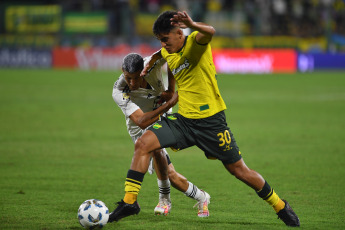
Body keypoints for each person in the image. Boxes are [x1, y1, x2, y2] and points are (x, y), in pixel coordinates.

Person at [108, 10, 300, 227]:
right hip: (185, 121)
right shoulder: (167, 51)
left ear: (180, 33)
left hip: (212, 122)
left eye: (165, 39)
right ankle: (129, 202)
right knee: (144, 143)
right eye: (159, 41)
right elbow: (166, 58)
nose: (162, 44)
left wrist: (193, 23)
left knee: (239, 170)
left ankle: (280, 205)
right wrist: (168, 82)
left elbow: (210, 32)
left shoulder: (195, 44)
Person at [111, 52, 211, 218]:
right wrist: (170, 102)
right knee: (170, 174)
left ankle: (164, 200)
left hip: (161, 117)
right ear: (122, 71)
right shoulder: (119, 90)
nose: (132, 83)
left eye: (136, 78)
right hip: (140, 124)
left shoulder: (151, 63)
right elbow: (141, 121)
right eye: (128, 78)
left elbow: (170, 56)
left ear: (143, 71)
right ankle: (201, 196)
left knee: (155, 149)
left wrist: (171, 89)